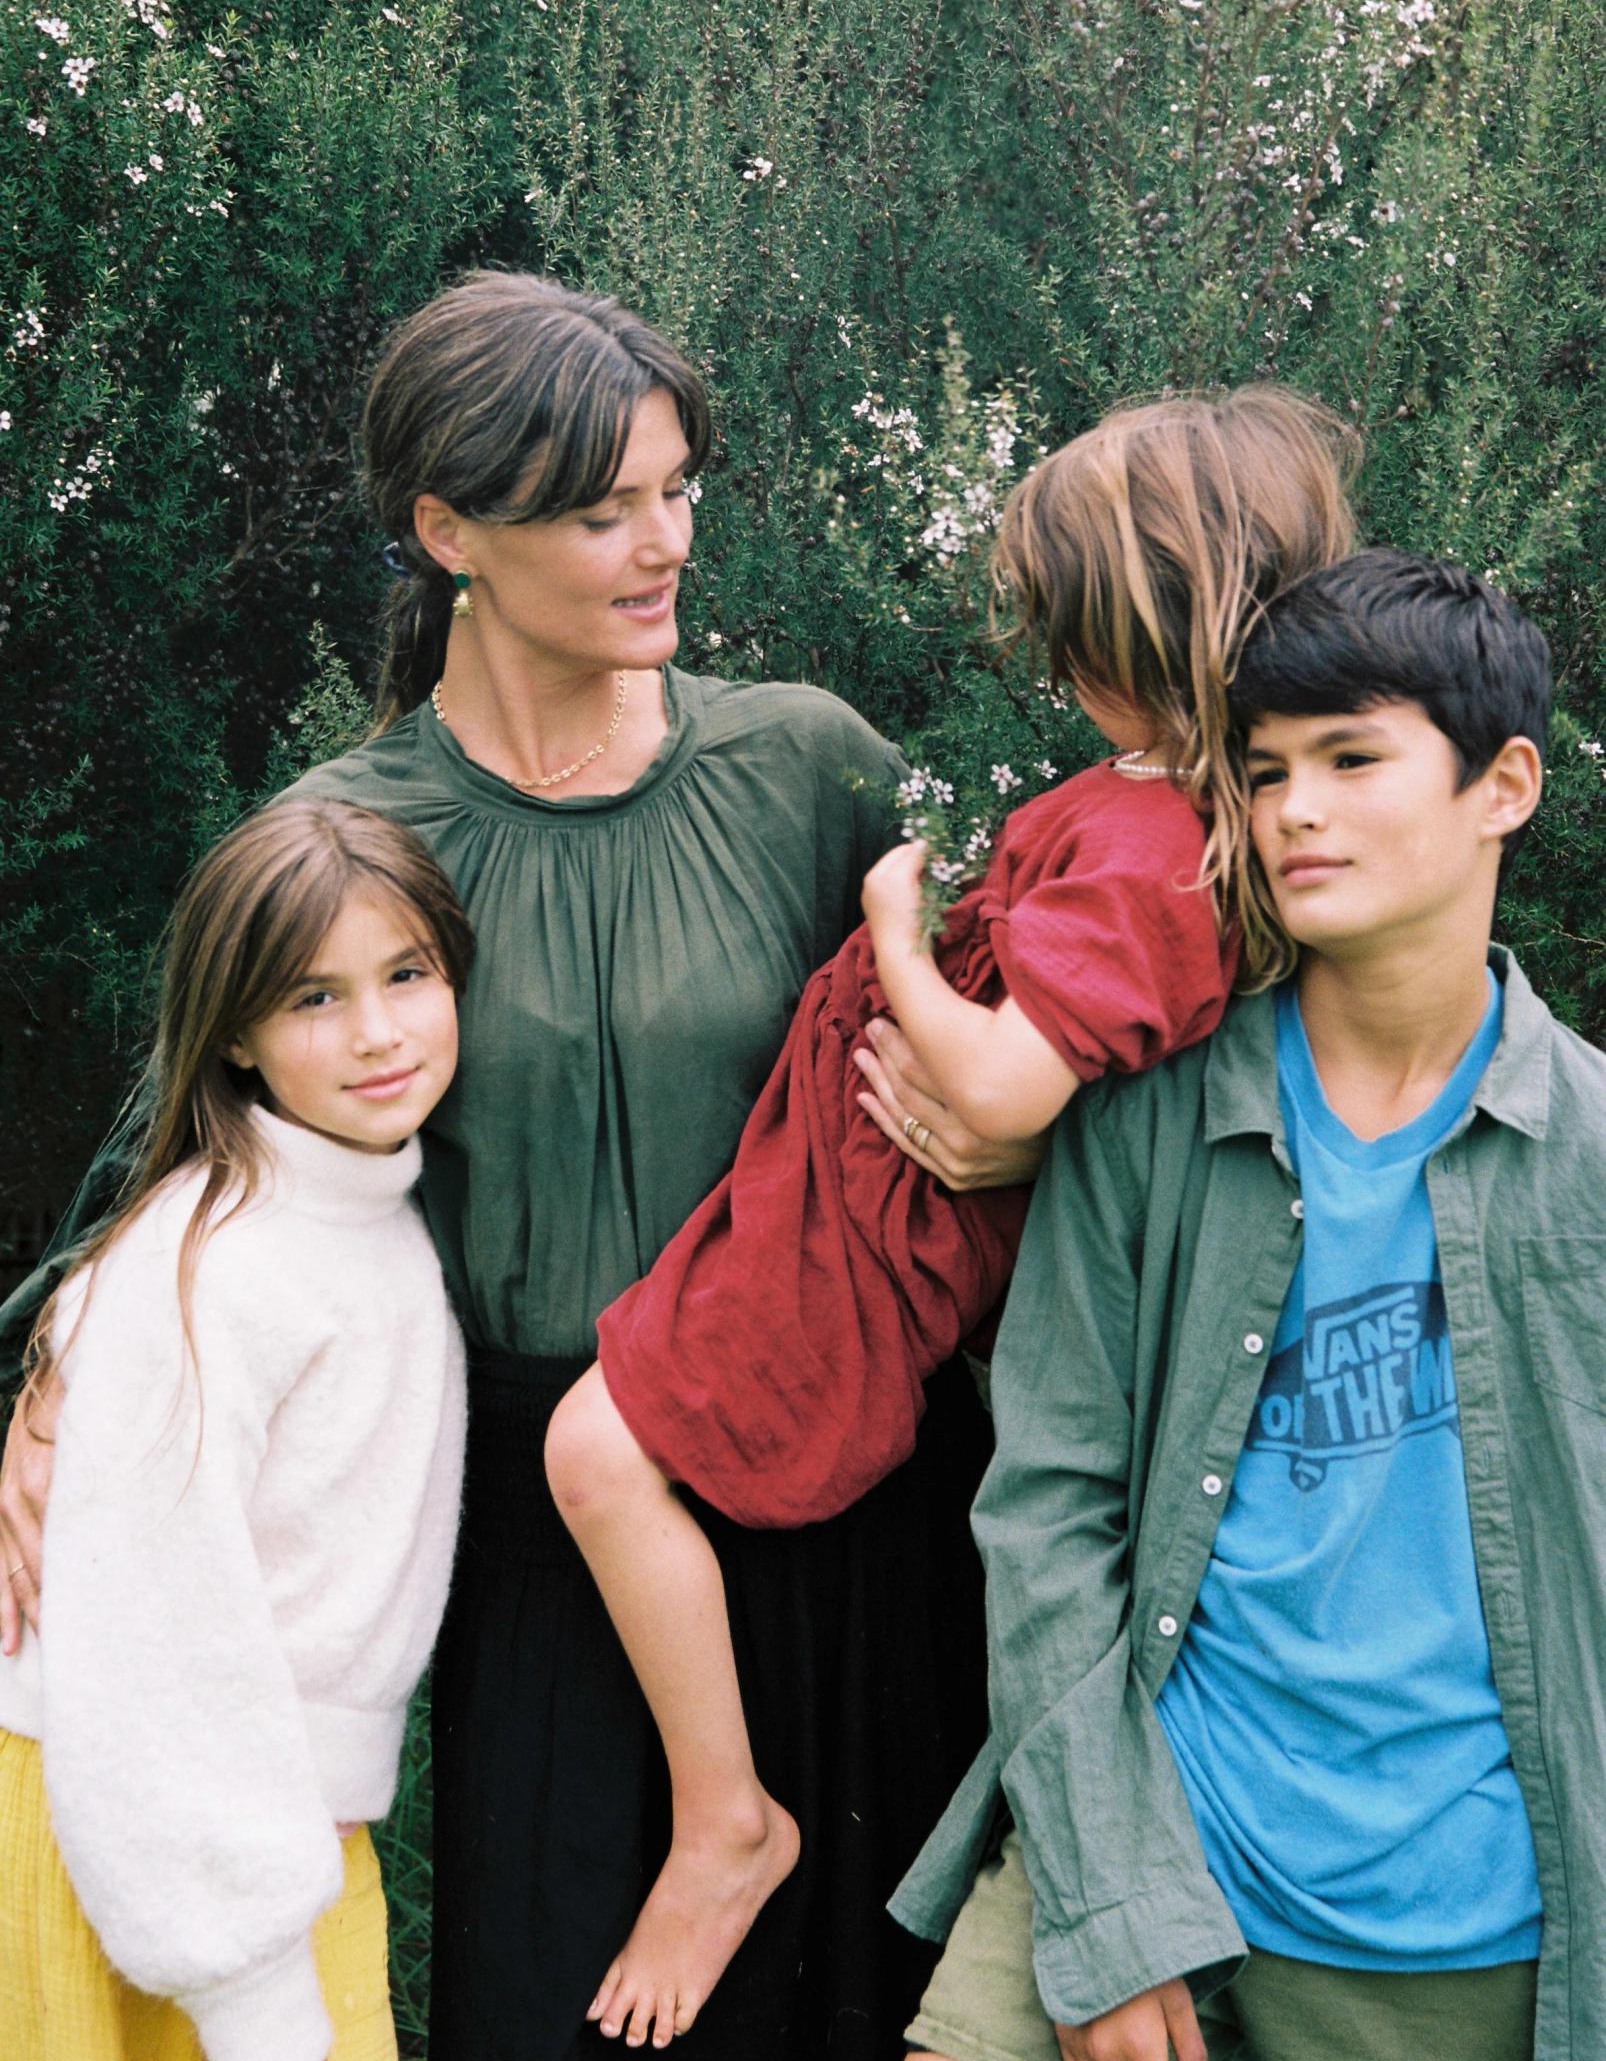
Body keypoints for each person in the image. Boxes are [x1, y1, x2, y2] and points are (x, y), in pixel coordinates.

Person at [0, 272, 1038, 2061]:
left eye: (675, 487)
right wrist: (53, 1371)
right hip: (546, 1545)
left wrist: (997, 1118)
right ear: (445, 531)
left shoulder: (810, 768)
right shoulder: (345, 840)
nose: (662, 543)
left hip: (850, 1491)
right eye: (596, 507)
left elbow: (1038, 1021)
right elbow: (175, 1165)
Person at [543, 386, 1358, 2048]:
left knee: (591, 1454)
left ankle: (727, 1821)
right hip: (840, 1195)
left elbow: (997, 1096)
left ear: (1138, 634)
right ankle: (728, 1814)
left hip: (867, 1230)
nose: (1049, 668)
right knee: (602, 1449)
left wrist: (899, 935)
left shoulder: (1154, 852)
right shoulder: (1152, 811)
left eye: (1066, 636)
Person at [893, 549, 1600, 2061]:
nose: (1292, 810)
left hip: (1452, 1920)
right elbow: (1046, 1510)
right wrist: (1108, 1900)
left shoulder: (1590, 1157)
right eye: (1263, 770)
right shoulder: (1147, 1117)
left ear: (1506, 784)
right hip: (1147, 1839)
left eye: (1351, 759)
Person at [0, 798, 472, 2061]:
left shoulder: (359, 1216)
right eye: (313, 998)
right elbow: (159, 1637)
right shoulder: (216, 1261)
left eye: (406, 974)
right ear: (239, 1039)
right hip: (151, 1840)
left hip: (267, 1837)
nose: (377, 1033)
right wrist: (256, 1995)